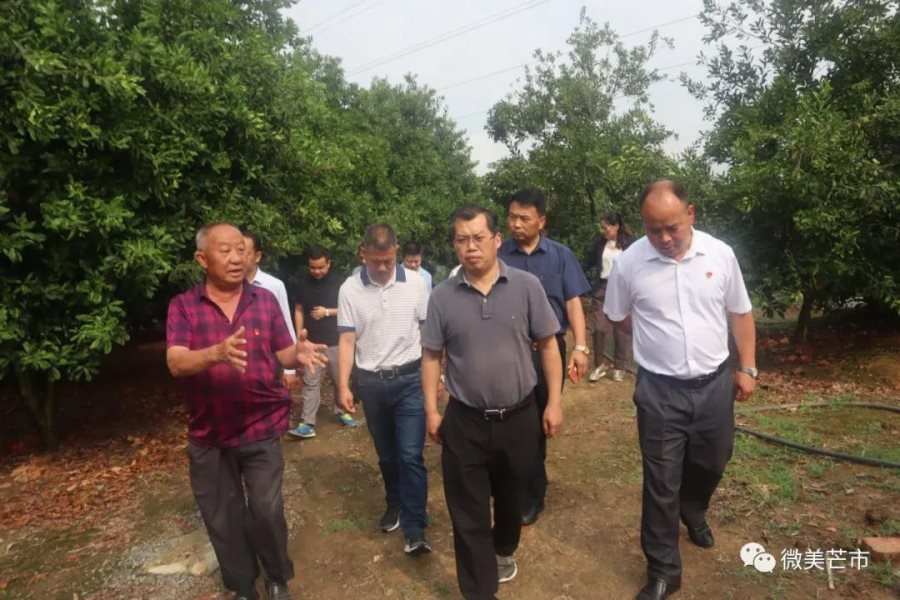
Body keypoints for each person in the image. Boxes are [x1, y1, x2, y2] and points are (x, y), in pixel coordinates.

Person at [603, 181, 757, 600]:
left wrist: (747, 367)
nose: (665, 238)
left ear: (691, 214)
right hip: (659, 391)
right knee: (661, 481)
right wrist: (655, 338)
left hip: (714, 386)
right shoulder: (629, 264)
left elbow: (740, 312)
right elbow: (617, 315)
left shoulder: (720, 255)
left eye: (672, 227)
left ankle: (694, 508)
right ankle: (663, 570)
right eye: (654, 230)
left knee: (713, 461)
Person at [166, 222, 329, 600]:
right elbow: (176, 362)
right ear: (202, 259)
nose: (236, 258)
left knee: (266, 510)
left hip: (260, 425)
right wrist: (215, 354)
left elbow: (283, 351)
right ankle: (242, 586)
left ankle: (277, 576)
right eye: (225, 250)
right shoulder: (184, 306)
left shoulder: (264, 300)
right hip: (209, 433)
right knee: (222, 517)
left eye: (240, 249)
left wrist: (298, 355)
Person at [422, 206, 562, 600]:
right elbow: (431, 356)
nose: (471, 247)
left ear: (497, 240)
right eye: (462, 240)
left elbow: (548, 345)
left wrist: (553, 402)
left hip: (519, 418)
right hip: (465, 420)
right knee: (467, 513)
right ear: (454, 245)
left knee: (513, 498)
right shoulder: (442, 297)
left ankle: (503, 546)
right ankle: (480, 590)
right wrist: (431, 410)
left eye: (478, 238)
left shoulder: (526, 286)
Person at [335, 223, 431, 555]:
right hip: (371, 384)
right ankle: (395, 502)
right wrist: (343, 385)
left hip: (409, 380)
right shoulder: (349, 289)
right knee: (387, 454)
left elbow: (427, 335)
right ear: (363, 254)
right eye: (375, 261)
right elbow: (347, 341)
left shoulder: (416, 283)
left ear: (396, 252)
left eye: (388, 261)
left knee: (410, 454)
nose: (381, 267)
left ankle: (415, 527)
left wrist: (435, 379)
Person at [498, 187, 591, 525]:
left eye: (524, 218)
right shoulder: (498, 255)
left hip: (546, 352)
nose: (516, 224)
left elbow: (572, 302)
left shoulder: (560, 256)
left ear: (541, 221)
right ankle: (511, 484)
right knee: (510, 420)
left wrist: (580, 346)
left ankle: (533, 494)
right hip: (507, 351)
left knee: (538, 422)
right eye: (512, 217)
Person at [287, 245, 360, 438]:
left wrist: (326, 312)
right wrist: (299, 336)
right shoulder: (302, 284)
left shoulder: (341, 284)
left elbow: (350, 310)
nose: (317, 271)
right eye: (313, 267)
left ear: (329, 263)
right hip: (311, 344)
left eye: (320, 267)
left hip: (336, 341)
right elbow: (299, 310)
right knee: (310, 382)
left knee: (339, 380)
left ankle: (343, 412)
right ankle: (307, 422)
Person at [243, 229, 299, 391]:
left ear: (257, 256)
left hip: (267, 363)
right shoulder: (226, 288)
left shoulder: (273, 286)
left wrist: (289, 370)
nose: (238, 258)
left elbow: (285, 323)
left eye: (244, 252)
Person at [583, 212, 635, 382]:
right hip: (602, 288)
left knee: (619, 328)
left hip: (621, 289)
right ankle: (599, 366)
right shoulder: (599, 244)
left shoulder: (629, 244)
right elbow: (587, 263)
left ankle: (619, 367)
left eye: (605, 227)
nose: (603, 231)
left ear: (616, 226)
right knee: (598, 327)